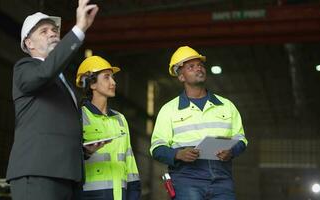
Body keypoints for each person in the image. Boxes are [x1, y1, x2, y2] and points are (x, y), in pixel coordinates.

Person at [6, 1, 101, 199]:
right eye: (44, 31)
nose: (53, 33)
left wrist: (83, 151)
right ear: (28, 43)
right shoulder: (25, 68)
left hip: (67, 175)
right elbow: (45, 72)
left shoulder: (62, 82)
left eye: (54, 29)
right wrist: (79, 29)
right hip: (38, 172)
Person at [150, 46, 248, 200]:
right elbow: (156, 148)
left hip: (222, 180)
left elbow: (241, 139)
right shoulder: (169, 110)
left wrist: (231, 151)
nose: (199, 69)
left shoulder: (226, 105)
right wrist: (178, 154)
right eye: (191, 67)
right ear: (181, 77)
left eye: (200, 65)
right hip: (186, 180)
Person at [75, 55, 141, 200]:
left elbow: (129, 161)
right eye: (107, 77)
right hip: (90, 196)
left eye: (112, 77)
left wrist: (134, 193)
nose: (113, 82)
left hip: (121, 195)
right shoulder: (78, 117)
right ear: (92, 84)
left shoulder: (120, 119)